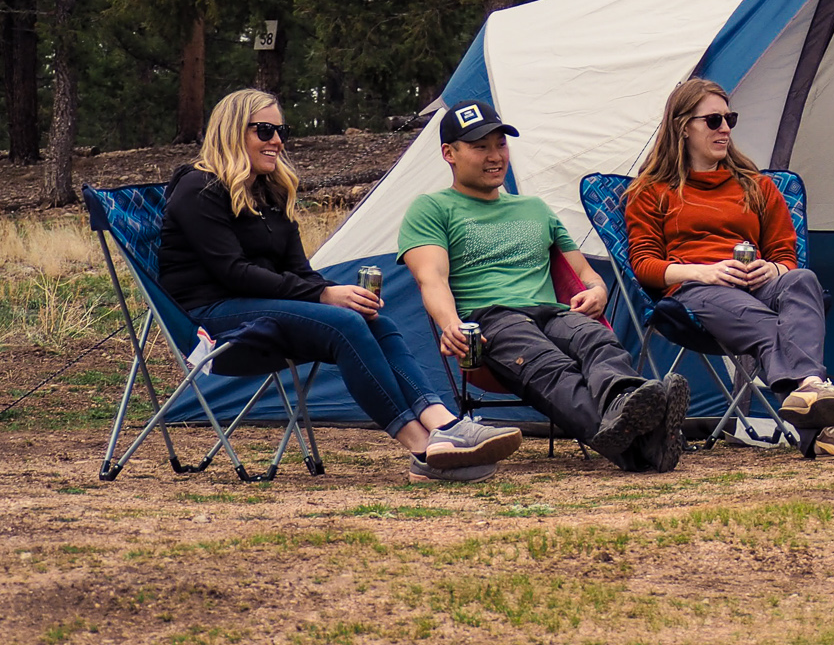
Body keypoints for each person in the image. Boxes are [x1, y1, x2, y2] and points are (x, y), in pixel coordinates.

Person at [160, 89, 521, 484]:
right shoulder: (199, 188)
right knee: (343, 324)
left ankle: (445, 425)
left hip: (262, 311)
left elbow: (299, 269)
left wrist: (339, 294)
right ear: (231, 131)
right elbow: (233, 272)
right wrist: (323, 295)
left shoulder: (269, 190)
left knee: (371, 320)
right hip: (209, 322)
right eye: (264, 130)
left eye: (281, 130)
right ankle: (423, 450)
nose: (277, 141)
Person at [397, 100, 690, 471]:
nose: (494, 156)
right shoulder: (432, 209)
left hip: (553, 312)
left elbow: (584, 274)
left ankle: (625, 403)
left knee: (596, 339)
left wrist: (597, 291)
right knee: (550, 364)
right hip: (492, 321)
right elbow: (431, 278)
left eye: (500, 144)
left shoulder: (535, 208)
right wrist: (450, 324)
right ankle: (643, 441)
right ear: (448, 153)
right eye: (479, 146)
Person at [624, 77, 834, 460]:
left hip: (756, 285)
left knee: (802, 280)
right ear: (683, 126)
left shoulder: (757, 187)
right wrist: (701, 272)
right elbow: (644, 265)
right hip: (698, 293)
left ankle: (809, 388)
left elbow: (785, 255)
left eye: (730, 118)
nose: (725, 128)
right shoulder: (651, 192)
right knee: (768, 325)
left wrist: (772, 270)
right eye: (713, 120)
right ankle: (824, 419)